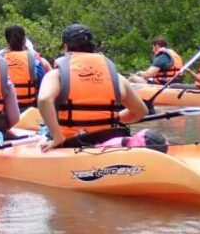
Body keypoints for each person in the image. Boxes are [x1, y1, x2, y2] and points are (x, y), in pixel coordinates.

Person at [37, 23, 148, 152]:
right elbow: (141, 112)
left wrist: (57, 137)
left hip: (71, 143)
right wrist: (114, 118)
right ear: (91, 47)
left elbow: (44, 100)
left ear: (66, 47)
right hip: (109, 142)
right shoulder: (116, 77)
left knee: (42, 136)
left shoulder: (57, 75)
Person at [0, 25, 50, 110]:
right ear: (24, 40)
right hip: (29, 107)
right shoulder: (33, 58)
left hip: (5, 108)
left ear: (7, 41)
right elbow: (43, 82)